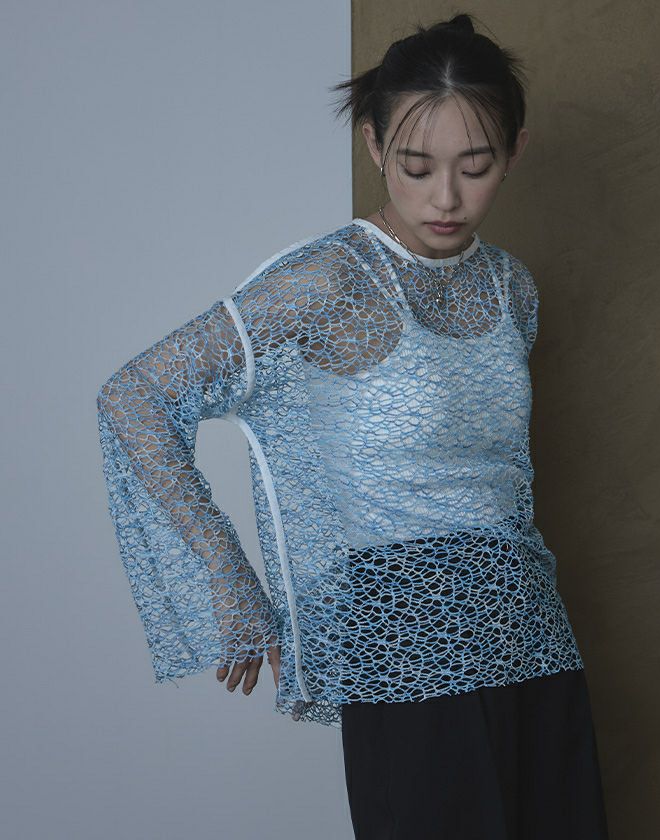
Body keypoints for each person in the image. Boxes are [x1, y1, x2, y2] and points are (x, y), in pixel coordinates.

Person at [97, 11, 610, 839]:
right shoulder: (329, 281)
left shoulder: (512, 287)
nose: (446, 198)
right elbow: (135, 396)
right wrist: (229, 577)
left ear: (515, 151)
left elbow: (506, 488)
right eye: (416, 166)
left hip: (531, 631)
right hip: (403, 636)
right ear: (374, 146)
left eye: (476, 166)